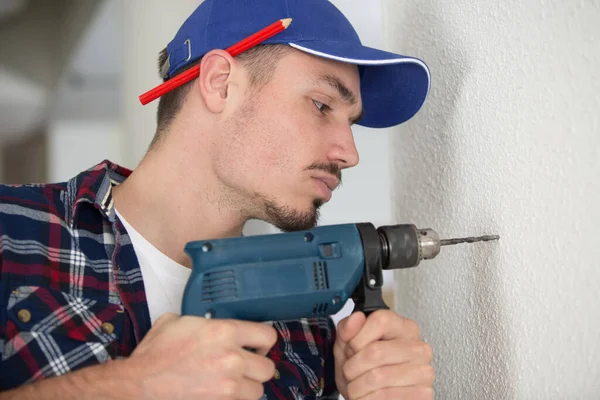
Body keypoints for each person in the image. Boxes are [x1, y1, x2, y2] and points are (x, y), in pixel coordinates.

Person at [0, 0, 433, 399]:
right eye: (322, 106)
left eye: (351, 122)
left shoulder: (306, 330)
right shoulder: (12, 232)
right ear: (220, 83)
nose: (350, 153)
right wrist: (130, 386)